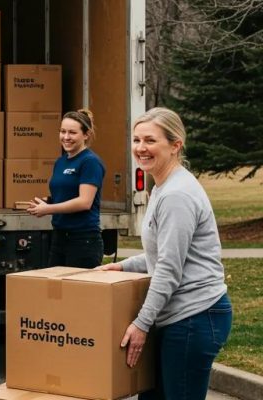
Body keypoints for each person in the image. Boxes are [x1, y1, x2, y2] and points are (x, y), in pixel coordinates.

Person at [98, 107, 232, 400]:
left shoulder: (176, 195)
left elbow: (169, 269)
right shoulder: (162, 186)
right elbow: (163, 253)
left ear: (175, 145)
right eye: (136, 140)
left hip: (195, 316)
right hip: (180, 317)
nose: (140, 148)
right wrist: (123, 267)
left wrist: (141, 323)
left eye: (150, 140)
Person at [27, 109, 106, 268]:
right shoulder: (61, 162)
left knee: (78, 292)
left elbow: (84, 202)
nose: (66, 137)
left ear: (86, 135)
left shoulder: (90, 162)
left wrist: (48, 209)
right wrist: (44, 202)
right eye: (62, 131)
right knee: (55, 291)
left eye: (72, 132)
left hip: (83, 240)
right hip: (59, 237)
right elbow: (65, 195)